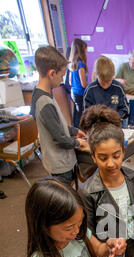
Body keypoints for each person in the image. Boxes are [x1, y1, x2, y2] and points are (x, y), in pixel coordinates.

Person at [79, 105, 134, 257]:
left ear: (123, 152)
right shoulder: (88, 192)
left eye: (116, 156)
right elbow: (87, 236)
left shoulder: (132, 177)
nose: (111, 163)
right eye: (103, 158)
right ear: (93, 156)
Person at [30, 46, 88, 186]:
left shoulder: (45, 93)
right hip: (60, 165)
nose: (62, 80)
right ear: (51, 73)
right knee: (66, 198)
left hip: (64, 161)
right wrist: (78, 143)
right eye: (61, 76)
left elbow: (57, 125)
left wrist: (74, 131)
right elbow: (59, 138)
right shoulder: (44, 102)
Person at [83, 56, 129, 121]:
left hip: (114, 125)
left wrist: (114, 117)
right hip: (96, 126)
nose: (105, 85)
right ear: (97, 75)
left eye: (108, 81)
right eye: (102, 82)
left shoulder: (118, 88)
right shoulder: (90, 90)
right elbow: (86, 114)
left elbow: (125, 110)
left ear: (113, 76)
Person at [69, 39, 88, 128]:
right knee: (81, 114)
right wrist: (91, 84)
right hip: (81, 93)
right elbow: (83, 84)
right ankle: (80, 130)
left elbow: (69, 81)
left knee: (77, 113)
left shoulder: (72, 63)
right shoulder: (80, 65)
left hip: (74, 92)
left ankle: (76, 129)